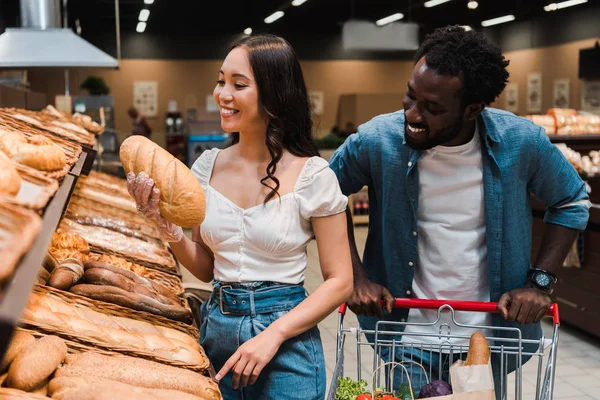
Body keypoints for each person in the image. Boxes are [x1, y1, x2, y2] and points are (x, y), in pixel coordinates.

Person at [329, 26, 590, 394]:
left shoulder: (520, 143)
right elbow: (322, 196)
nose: (412, 114)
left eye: (432, 108)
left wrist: (539, 283)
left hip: (489, 338)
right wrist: (355, 276)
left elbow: (571, 201)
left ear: (473, 109)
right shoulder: (378, 140)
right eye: (410, 95)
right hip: (406, 334)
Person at [126, 34, 353, 400]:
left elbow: (340, 281)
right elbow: (205, 267)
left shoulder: (313, 175)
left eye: (238, 84)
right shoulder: (205, 168)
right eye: (221, 81)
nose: (222, 94)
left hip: (287, 342)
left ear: (275, 94)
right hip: (218, 332)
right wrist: (167, 228)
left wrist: (274, 334)